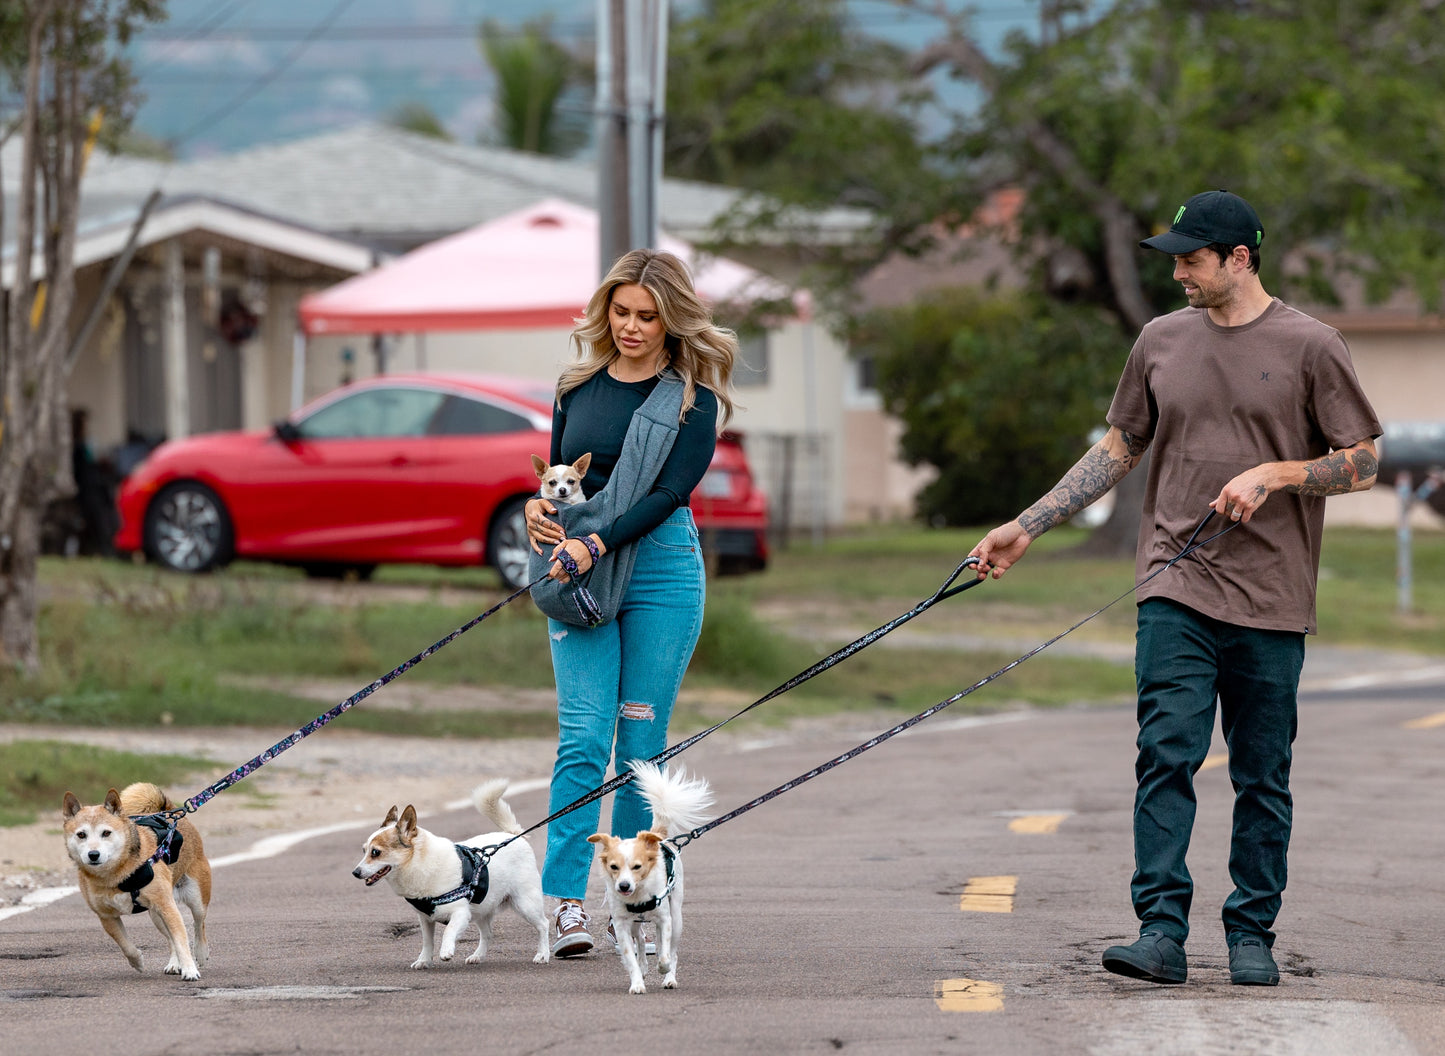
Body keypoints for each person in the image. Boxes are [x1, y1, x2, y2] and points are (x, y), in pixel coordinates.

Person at [969, 190, 1380, 987]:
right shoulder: (1159, 340)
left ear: (1238, 258)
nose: (1178, 274)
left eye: (1191, 260)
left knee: (1262, 772)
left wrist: (1278, 473)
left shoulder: (1311, 345)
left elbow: (1361, 460)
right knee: (1166, 752)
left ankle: (1250, 933)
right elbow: (1121, 445)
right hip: (1173, 582)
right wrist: (1029, 523)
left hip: (1271, 597)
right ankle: (1159, 929)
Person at [525, 248, 738, 957]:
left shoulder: (690, 401)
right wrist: (538, 517)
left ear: (671, 321)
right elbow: (561, 483)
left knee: (641, 744)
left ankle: (640, 906)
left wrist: (597, 542)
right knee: (585, 738)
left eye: (647, 316)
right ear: (604, 310)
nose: (631, 327)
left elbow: (665, 496)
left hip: (661, 568)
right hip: (578, 570)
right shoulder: (575, 389)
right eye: (620, 312)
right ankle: (563, 906)